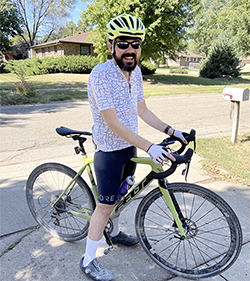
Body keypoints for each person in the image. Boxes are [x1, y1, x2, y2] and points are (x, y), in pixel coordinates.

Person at [80, 14, 187, 281]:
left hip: (131, 148)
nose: (130, 49)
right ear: (111, 46)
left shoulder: (136, 72)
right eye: (123, 43)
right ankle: (88, 260)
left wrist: (171, 130)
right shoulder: (100, 75)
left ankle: (114, 233)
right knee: (104, 207)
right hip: (109, 151)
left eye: (135, 44)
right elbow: (112, 122)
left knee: (120, 197)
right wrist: (150, 146)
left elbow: (142, 110)